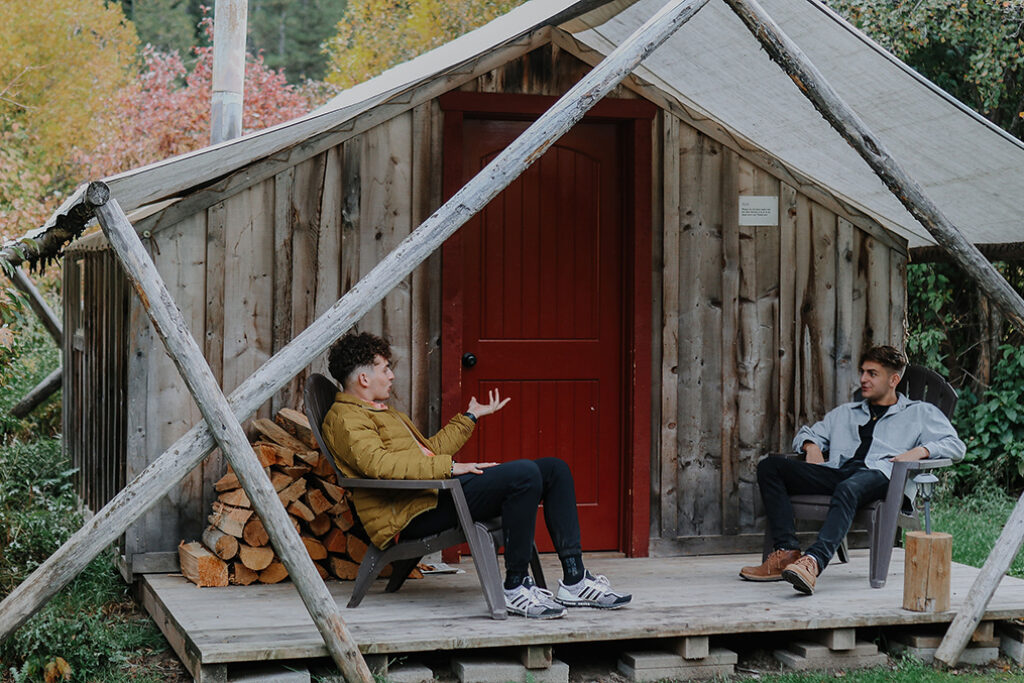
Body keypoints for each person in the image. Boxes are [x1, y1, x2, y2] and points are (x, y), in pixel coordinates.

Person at [320, 332, 631, 618]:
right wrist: (451, 468)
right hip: (411, 512)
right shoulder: (346, 419)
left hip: (432, 494)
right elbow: (379, 466)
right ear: (364, 377)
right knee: (524, 474)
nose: (390, 375)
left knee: (553, 469)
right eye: (384, 368)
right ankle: (515, 586)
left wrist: (470, 417)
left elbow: (429, 451)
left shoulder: (383, 412)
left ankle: (575, 580)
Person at [739, 345, 965, 594]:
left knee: (849, 488)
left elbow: (955, 446)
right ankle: (786, 552)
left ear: (893, 380)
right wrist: (811, 446)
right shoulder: (846, 413)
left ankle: (813, 562)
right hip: (838, 472)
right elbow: (810, 432)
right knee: (770, 467)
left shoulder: (920, 413)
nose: (863, 379)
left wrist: (919, 451)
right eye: (863, 372)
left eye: (872, 373)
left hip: (883, 475)